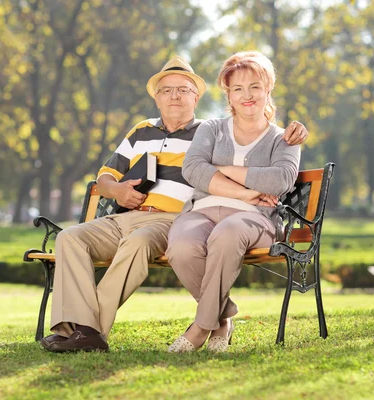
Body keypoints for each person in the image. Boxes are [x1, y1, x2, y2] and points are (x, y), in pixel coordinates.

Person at [42, 55, 308, 353]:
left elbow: (259, 154)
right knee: (69, 238)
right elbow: (107, 177)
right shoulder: (142, 130)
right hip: (127, 216)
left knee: (139, 243)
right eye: (167, 90)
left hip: (170, 219)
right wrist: (117, 191)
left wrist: (294, 130)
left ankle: (90, 330)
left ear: (197, 97)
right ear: (156, 98)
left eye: (183, 90)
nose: (175, 96)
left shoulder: (208, 130)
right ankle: (72, 329)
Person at [165, 51, 301, 353]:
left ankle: (201, 327)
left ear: (268, 89)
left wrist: (223, 170)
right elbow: (193, 169)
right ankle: (222, 320)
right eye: (237, 88)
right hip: (202, 211)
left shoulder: (284, 139)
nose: (247, 95)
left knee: (227, 233)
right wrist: (247, 191)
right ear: (228, 94)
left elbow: (281, 179)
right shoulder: (211, 129)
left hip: (256, 218)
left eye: (254, 86)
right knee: (181, 246)